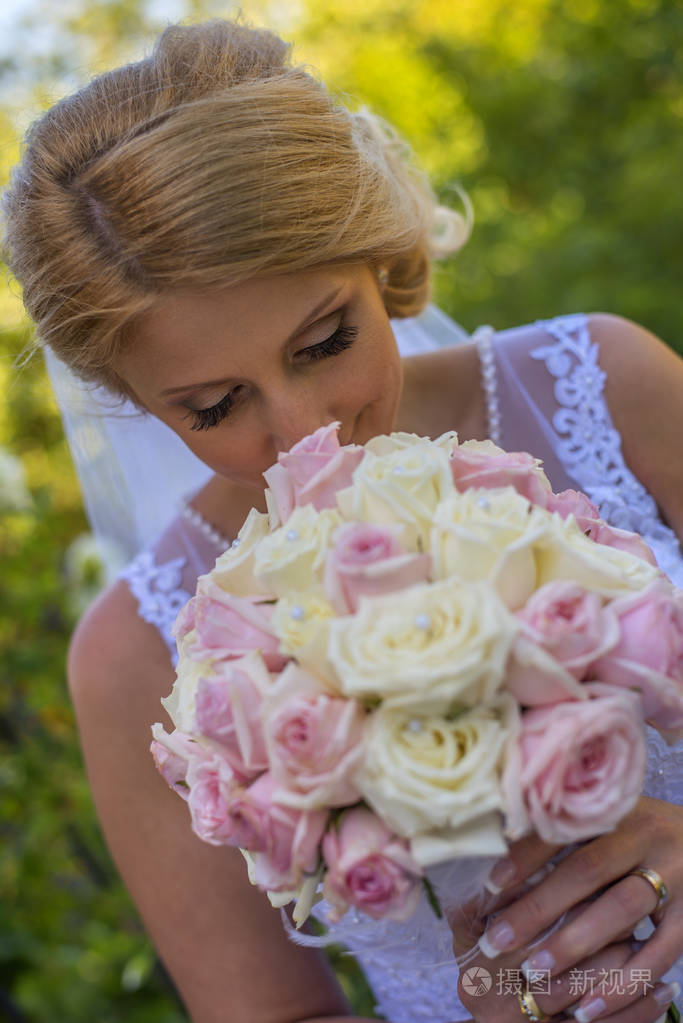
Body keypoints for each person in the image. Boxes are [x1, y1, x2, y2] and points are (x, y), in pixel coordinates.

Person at [3, 17, 683, 1023]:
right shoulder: (133, 659)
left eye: (324, 341)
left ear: (377, 259)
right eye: (214, 406)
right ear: (139, 403)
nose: (304, 431)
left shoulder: (605, 385)